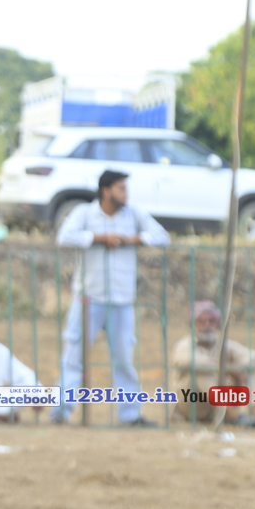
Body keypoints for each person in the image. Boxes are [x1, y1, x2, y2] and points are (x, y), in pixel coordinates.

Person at [52, 169, 170, 426]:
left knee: (124, 360)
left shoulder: (134, 214)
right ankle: (60, 411)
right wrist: (100, 238)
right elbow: (64, 237)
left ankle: (130, 414)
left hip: (122, 299)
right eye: (121, 188)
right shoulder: (85, 213)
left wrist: (133, 240)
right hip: (88, 298)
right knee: (74, 356)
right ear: (106, 191)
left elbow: (162, 236)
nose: (126, 193)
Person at [170, 301, 255, 427]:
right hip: (191, 405)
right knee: (202, 372)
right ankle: (234, 416)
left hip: (216, 407)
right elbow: (189, 361)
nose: (207, 325)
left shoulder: (223, 344)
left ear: (218, 324)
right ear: (193, 324)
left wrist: (240, 366)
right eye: (201, 321)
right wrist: (227, 368)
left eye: (212, 321)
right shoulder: (185, 344)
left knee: (247, 369)